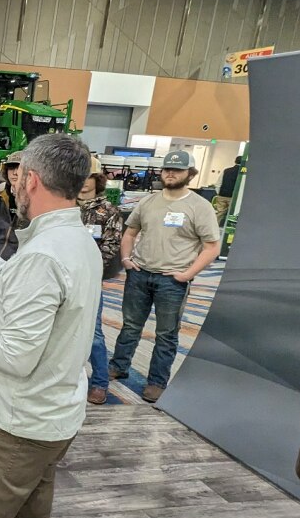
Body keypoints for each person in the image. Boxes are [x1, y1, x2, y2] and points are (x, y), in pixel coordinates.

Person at [0, 134, 101, 518]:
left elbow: (16, 355)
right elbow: (25, 284)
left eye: (17, 178)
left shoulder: (43, 255)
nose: (13, 185)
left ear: (30, 179)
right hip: (56, 419)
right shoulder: (77, 242)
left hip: (18, 429)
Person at [108, 149, 221, 403]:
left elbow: (212, 247)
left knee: (166, 334)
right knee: (130, 326)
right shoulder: (148, 202)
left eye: (177, 170)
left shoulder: (199, 207)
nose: (170, 174)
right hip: (139, 274)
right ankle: (119, 366)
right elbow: (130, 233)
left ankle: (156, 382)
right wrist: (126, 260)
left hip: (172, 281)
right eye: (167, 169)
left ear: (189, 174)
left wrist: (187, 274)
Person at [79, 157, 124, 405]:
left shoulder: (109, 211)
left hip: (89, 281)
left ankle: (99, 383)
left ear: (97, 180)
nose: (84, 183)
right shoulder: (66, 207)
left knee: (94, 333)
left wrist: (89, 270)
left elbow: (111, 247)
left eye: (89, 177)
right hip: (61, 278)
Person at [215, 155, 241, 225]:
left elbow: (218, 183)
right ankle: (227, 229)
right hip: (233, 197)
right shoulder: (242, 173)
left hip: (222, 195)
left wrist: (219, 193)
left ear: (235, 161)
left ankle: (215, 227)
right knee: (232, 214)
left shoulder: (226, 170)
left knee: (219, 213)